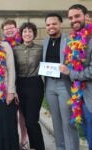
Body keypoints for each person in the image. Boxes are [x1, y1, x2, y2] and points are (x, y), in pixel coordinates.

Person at [42, 13, 79, 150]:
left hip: (65, 84)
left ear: (61, 24)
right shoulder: (45, 41)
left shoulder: (70, 40)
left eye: (54, 24)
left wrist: (68, 69)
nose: (51, 27)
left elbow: (78, 62)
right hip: (50, 85)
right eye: (48, 24)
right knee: (56, 122)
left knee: (68, 122)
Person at [59, 4, 92, 150]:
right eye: (71, 18)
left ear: (87, 16)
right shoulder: (73, 39)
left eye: (77, 16)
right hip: (81, 97)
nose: (73, 20)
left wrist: (70, 73)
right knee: (87, 133)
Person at [13, 22, 45, 150]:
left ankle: (38, 147)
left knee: (32, 120)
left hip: (35, 84)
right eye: (25, 31)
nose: (27, 34)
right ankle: (32, 146)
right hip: (20, 85)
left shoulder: (41, 49)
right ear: (21, 34)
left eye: (30, 31)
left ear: (34, 34)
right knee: (27, 120)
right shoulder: (15, 50)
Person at [1, 19, 28, 149]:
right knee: (11, 112)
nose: (9, 30)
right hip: (8, 81)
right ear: (3, 31)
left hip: (23, 80)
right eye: (6, 29)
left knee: (23, 112)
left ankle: (24, 137)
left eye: (11, 27)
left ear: (16, 29)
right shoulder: (1, 44)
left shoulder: (23, 41)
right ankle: (14, 136)